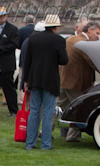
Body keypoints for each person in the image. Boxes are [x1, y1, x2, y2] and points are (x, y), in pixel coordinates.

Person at [22, 14, 68, 150]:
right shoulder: (58, 40)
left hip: (34, 78)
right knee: (48, 112)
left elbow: (27, 61)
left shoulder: (33, 38)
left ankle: (30, 142)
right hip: (50, 79)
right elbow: (64, 60)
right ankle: (45, 144)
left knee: (34, 111)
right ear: (56, 27)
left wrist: (25, 80)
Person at [59, 20, 99, 141]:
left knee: (59, 107)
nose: (98, 36)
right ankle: (72, 136)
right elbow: (92, 62)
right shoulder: (83, 44)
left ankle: (46, 131)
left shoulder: (71, 39)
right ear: (89, 31)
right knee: (80, 108)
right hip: (76, 83)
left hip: (63, 79)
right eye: (97, 33)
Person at [0, 7, 19, 116]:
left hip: (7, 64)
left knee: (9, 89)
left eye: (2, 16)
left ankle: (13, 110)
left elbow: (14, 44)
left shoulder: (12, 29)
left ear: (6, 17)